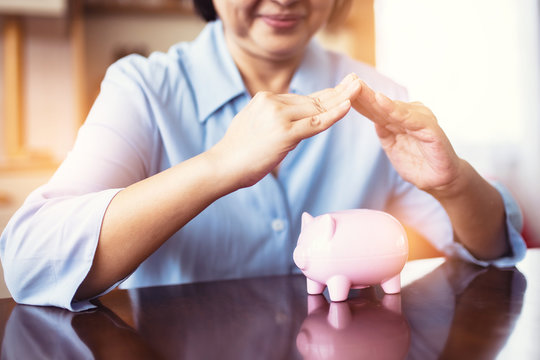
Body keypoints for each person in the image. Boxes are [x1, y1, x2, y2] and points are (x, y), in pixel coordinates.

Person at [0, 0, 526, 311]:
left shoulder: (376, 93)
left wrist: (453, 184)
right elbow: (28, 260)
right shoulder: (143, 89)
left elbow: (492, 249)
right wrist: (220, 165)